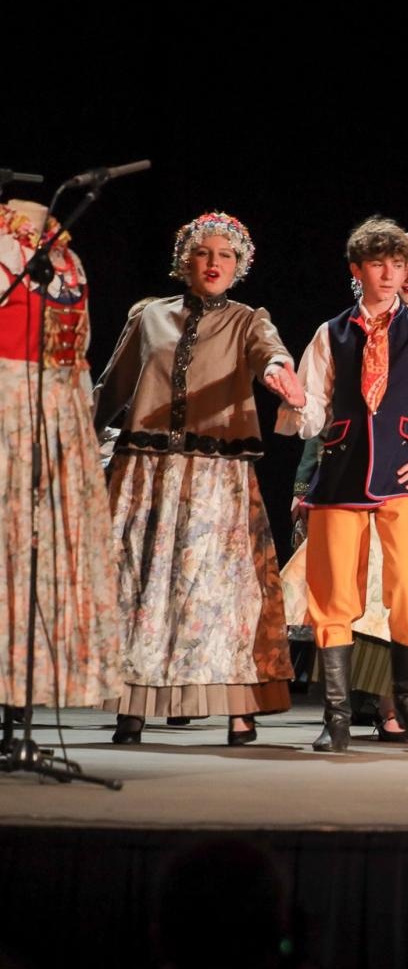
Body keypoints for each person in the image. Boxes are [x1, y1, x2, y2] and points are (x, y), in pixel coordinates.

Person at [276, 216, 408, 753]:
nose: (392, 274)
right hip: (341, 477)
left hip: (401, 476)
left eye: (398, 265)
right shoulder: (332, 332)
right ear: (358, 270)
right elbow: (313, 414)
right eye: (380, 265)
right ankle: (337, 715)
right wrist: (297, 403)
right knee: (334, 596)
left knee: (406, 591)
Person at [93, 211, 301, 745]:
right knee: (142, 587)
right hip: (147, 472)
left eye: (225, 256)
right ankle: (132, 705)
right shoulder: (149, 316)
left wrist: (280, 374)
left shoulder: (247, 319)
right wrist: (75, 442)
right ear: (185, 261)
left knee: (221, 590)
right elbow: (113, 388)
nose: (214, 263)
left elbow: (269, 353)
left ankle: (238, 708)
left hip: (216, 476)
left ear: (239, 266)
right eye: (204, 253)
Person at [0, 199, 121, 742]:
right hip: (7, 404)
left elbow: (84, 344)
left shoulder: (66, 259)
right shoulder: (9, 251)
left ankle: (21, 710)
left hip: (58, 415)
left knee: (41, 557)